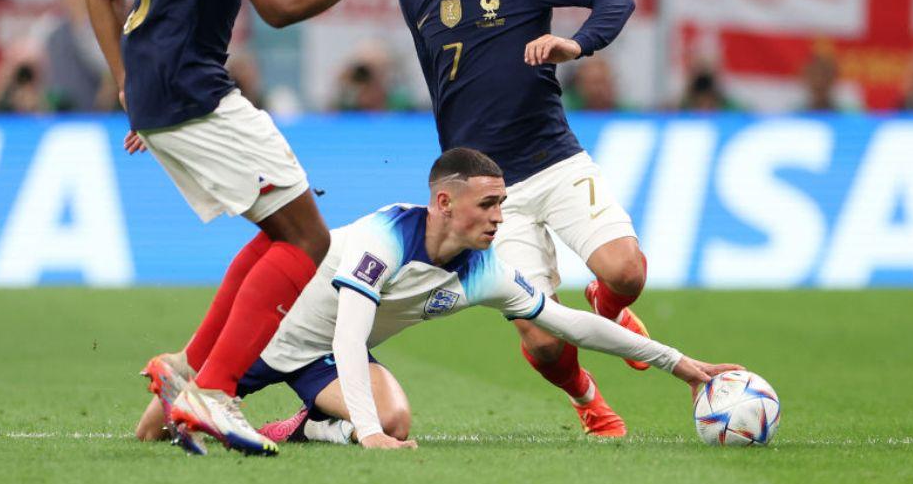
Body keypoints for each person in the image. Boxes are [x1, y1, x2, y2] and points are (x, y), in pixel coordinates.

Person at [81, 0, 408, 457]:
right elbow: (280, 5)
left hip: (161, 93)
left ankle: (190, 368)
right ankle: (217, 391)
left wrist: (126, 83)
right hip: (196, 92)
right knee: (308, 240)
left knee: (279, 226)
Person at [134, 148, 743, 449]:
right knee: (152, 435)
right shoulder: (386, 237)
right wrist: (368, 435)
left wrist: (680, 365)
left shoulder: (486, 269)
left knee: (397, 418)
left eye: (503, 203)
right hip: (271, 335)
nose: (501, 217)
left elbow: (571, 325)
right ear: (445, 203)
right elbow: (349, 332)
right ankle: (196, 372)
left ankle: (304, 426)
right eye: (489, 204)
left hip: (320, 361)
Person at [397, 0, 649, 439]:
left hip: (553, 158)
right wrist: (452, 186)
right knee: (539, 341)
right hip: (488, 192)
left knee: (627, 270)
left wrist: (575, 45)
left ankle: (607, 307)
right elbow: (445, 94)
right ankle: (589, 402)